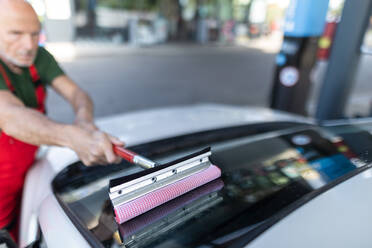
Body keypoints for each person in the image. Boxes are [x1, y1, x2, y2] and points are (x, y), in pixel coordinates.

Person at [0, 0, 124, 242]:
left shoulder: (39, 58)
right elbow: (11, 117)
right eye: (15, 34)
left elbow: (78, 95)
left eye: (35, 34)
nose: (28, 45)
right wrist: (74, 138)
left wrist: (84, 121)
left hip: (26, 178)